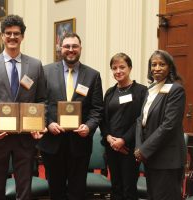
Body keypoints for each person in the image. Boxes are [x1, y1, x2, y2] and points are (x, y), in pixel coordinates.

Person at [0, 14, 46, 200]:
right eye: (8, 33)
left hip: (25, 138)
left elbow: (42, 99)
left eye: (16, 33)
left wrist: (39, 124)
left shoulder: (35, 65)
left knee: (24, 190)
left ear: (22, 36)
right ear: (2, 36)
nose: (12, 37)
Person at [37, 32, 103, 200]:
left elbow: (97, 109)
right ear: (60, 49)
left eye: (75, 46)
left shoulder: (93, 75)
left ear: (80, 48)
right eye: (67, 46)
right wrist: (48, 123)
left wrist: (89, 126)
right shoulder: (46, 71)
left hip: (79, 143)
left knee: (77, 191)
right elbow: (40, 102)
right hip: (52, 142)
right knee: (55, 190)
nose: (71, 50)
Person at [134, 50, 186, 200]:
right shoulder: (151, 89)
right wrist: (139, 147)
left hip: (167, 159)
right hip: (151, 157)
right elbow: (140, 119)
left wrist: (144, 149)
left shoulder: (176, 90)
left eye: (162, 64)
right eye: (153, 64)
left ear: (170, 67)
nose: (157, 68)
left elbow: (169, 125)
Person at [101, 53, 147, 200]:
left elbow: (141, 119)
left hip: (129, 148)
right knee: (115, 187)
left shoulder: (141, 91)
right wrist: (108, 138)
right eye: (114, 68)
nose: (118, 71)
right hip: (111, 147)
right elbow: (103, 119)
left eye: (122, 67)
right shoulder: (109, 92)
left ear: (130, 68)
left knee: (129, 189)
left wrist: (123, 140)